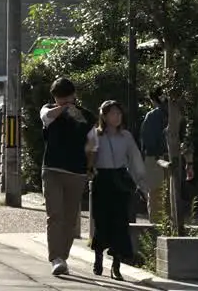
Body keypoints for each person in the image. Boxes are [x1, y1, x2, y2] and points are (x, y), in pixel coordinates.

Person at [39, 77, 96, 277]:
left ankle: (63, 257)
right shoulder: (48, 110)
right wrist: (63, 108)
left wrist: (90, 168)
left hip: (77, 172)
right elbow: (47, 117)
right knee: (54, 215)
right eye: (59, 98)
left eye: (66, 98)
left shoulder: (87, 117)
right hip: (52, 170)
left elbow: (92, 145)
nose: (62, 101)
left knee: (70, 219)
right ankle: (55, 258)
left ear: (74, 95)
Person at [87, 100, 146, 280]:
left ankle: (116, 265)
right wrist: (87, 173)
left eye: (119, 113)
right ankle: (98, 257)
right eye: (113, 113)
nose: (117, 116)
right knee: (102, 220)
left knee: (120, 223)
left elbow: (135, 158)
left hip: (120, 180)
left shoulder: (126, 136)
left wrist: (141, 182)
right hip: (102, 179)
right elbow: (88, 156)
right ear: (104, 116)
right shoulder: (95, 135)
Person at [140, 88, 168, 222]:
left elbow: (148, 140)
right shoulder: (175, 113)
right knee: (166, 195)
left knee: (155, 194)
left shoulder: (152, 116)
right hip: (169, 156)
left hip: (155, 158)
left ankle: (156, 227)